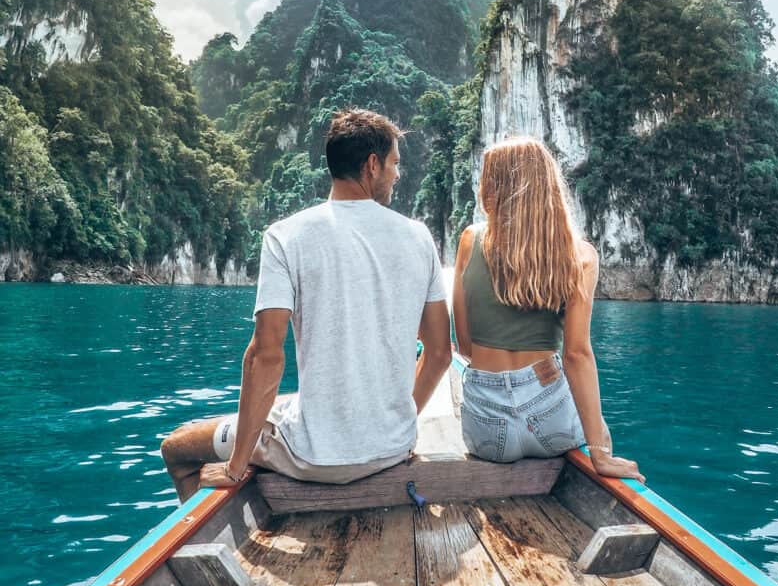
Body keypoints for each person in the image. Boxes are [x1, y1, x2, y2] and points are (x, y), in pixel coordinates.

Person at [161, 108, 452, 501]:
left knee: (176, 447)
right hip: (393, 448)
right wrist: (399, 424)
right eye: (394, 164)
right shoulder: (418, 239)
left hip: (315, 457)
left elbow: (265, 356)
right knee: (286, 405)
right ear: (371, 165)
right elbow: (438, 353)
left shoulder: (286, 237)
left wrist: (235, 465)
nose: (398, 175)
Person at [452, 136, 644, 483]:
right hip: (549, 417)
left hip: (487, 431)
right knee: (598, 427)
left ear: (492, 187)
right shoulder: (580, 255)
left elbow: (463, 345)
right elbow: (577, 355)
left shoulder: (470, 239)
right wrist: (600, 453)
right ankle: (599, 461)